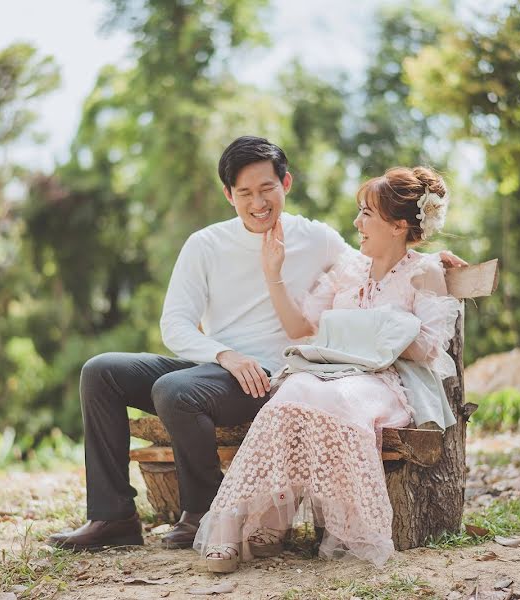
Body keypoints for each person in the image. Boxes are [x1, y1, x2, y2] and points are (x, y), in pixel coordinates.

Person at [47, 137, 465, 552]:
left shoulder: (317, 239)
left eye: (267, 188)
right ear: (229, 195)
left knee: (175, 391)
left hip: (272, 375)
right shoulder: (205, 244)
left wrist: (433, 256)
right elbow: (175, 324)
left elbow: (383, 252)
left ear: (286, 183)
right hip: (217, 366)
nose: (258, 202)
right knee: (101, 371)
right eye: (245, 192)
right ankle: (112, 516)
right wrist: (224, 355)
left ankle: (204, 513)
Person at [193, 166, 462, 572]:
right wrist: (273, 276)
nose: (357, 223)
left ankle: (312, 523)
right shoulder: (348, 269)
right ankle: (236, 523)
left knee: (334, 398)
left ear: (398, 224)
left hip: (385, 380)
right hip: (328, 372)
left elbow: (428, 346)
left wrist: (370, 331)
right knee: (292, 393)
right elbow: (304, 331)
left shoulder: (424, 271)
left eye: (366, 214)